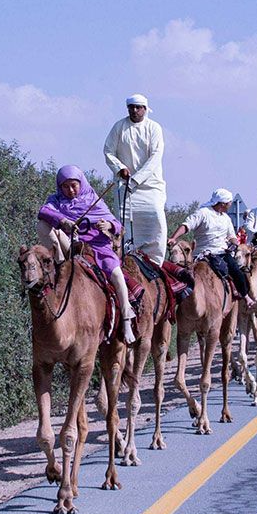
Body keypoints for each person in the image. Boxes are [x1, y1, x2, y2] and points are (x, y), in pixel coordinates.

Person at [37, 165, 136, 344]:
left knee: (116, 274)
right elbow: (43, 211)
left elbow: (118, 226)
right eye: (65, 187)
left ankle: (127, 320)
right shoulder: (56, 200)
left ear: (81, 183)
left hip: (98, 247)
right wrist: (63, 221)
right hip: (73, 245)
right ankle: (60, 261)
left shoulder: (94, 200)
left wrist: (109, 226)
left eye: (74, 185)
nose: (70, 190)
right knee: (42, 225)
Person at [102, 94, 167, 260]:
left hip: (150, 187)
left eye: (138, 107)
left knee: (157, 222)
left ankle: (155, 264)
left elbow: (155, 156)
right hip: (124, 187)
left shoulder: (154, 128)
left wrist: (136, 179)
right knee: (124, 227)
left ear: (145, 109)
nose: (135, 110)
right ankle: (127, 261)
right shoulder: (119, 127)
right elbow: (108, 151)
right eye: (131, 107)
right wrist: (120, 168)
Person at [167, 189, 250, 300]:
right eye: (229, 202)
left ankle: (245, 297)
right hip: (201, 254)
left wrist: (234, 245)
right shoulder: (203, 213)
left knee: (237, 272)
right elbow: (187, 225)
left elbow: (232, 237)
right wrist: (173, 237)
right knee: (180, 275)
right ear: (223, 204)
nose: (230, 204)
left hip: (222, 252)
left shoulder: (226, 218)